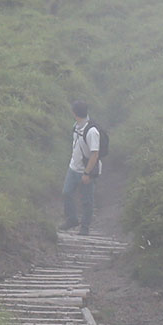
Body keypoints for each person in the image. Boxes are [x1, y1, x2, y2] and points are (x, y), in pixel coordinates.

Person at [61, 101, 100, 235]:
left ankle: (85, 227)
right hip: (73, 167)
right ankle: (72, 219)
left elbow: (95, 154)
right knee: (66, 193)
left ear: (75, 113)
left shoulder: (92, 131)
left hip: (86, 170)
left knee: (87, 200)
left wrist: (87, 173)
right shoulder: (76, 126)